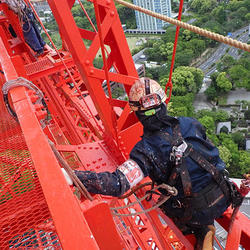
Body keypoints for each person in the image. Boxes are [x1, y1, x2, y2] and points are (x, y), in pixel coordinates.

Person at [63, 77, 240, 250]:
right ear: (163, 102)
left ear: (137, 113)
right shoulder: (190, 123)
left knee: (172, 203)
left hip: (197, 213)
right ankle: (206, 226)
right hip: (225, 194)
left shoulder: (146, 150)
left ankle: (202, 229)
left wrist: (73, 176)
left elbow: (118, 184)